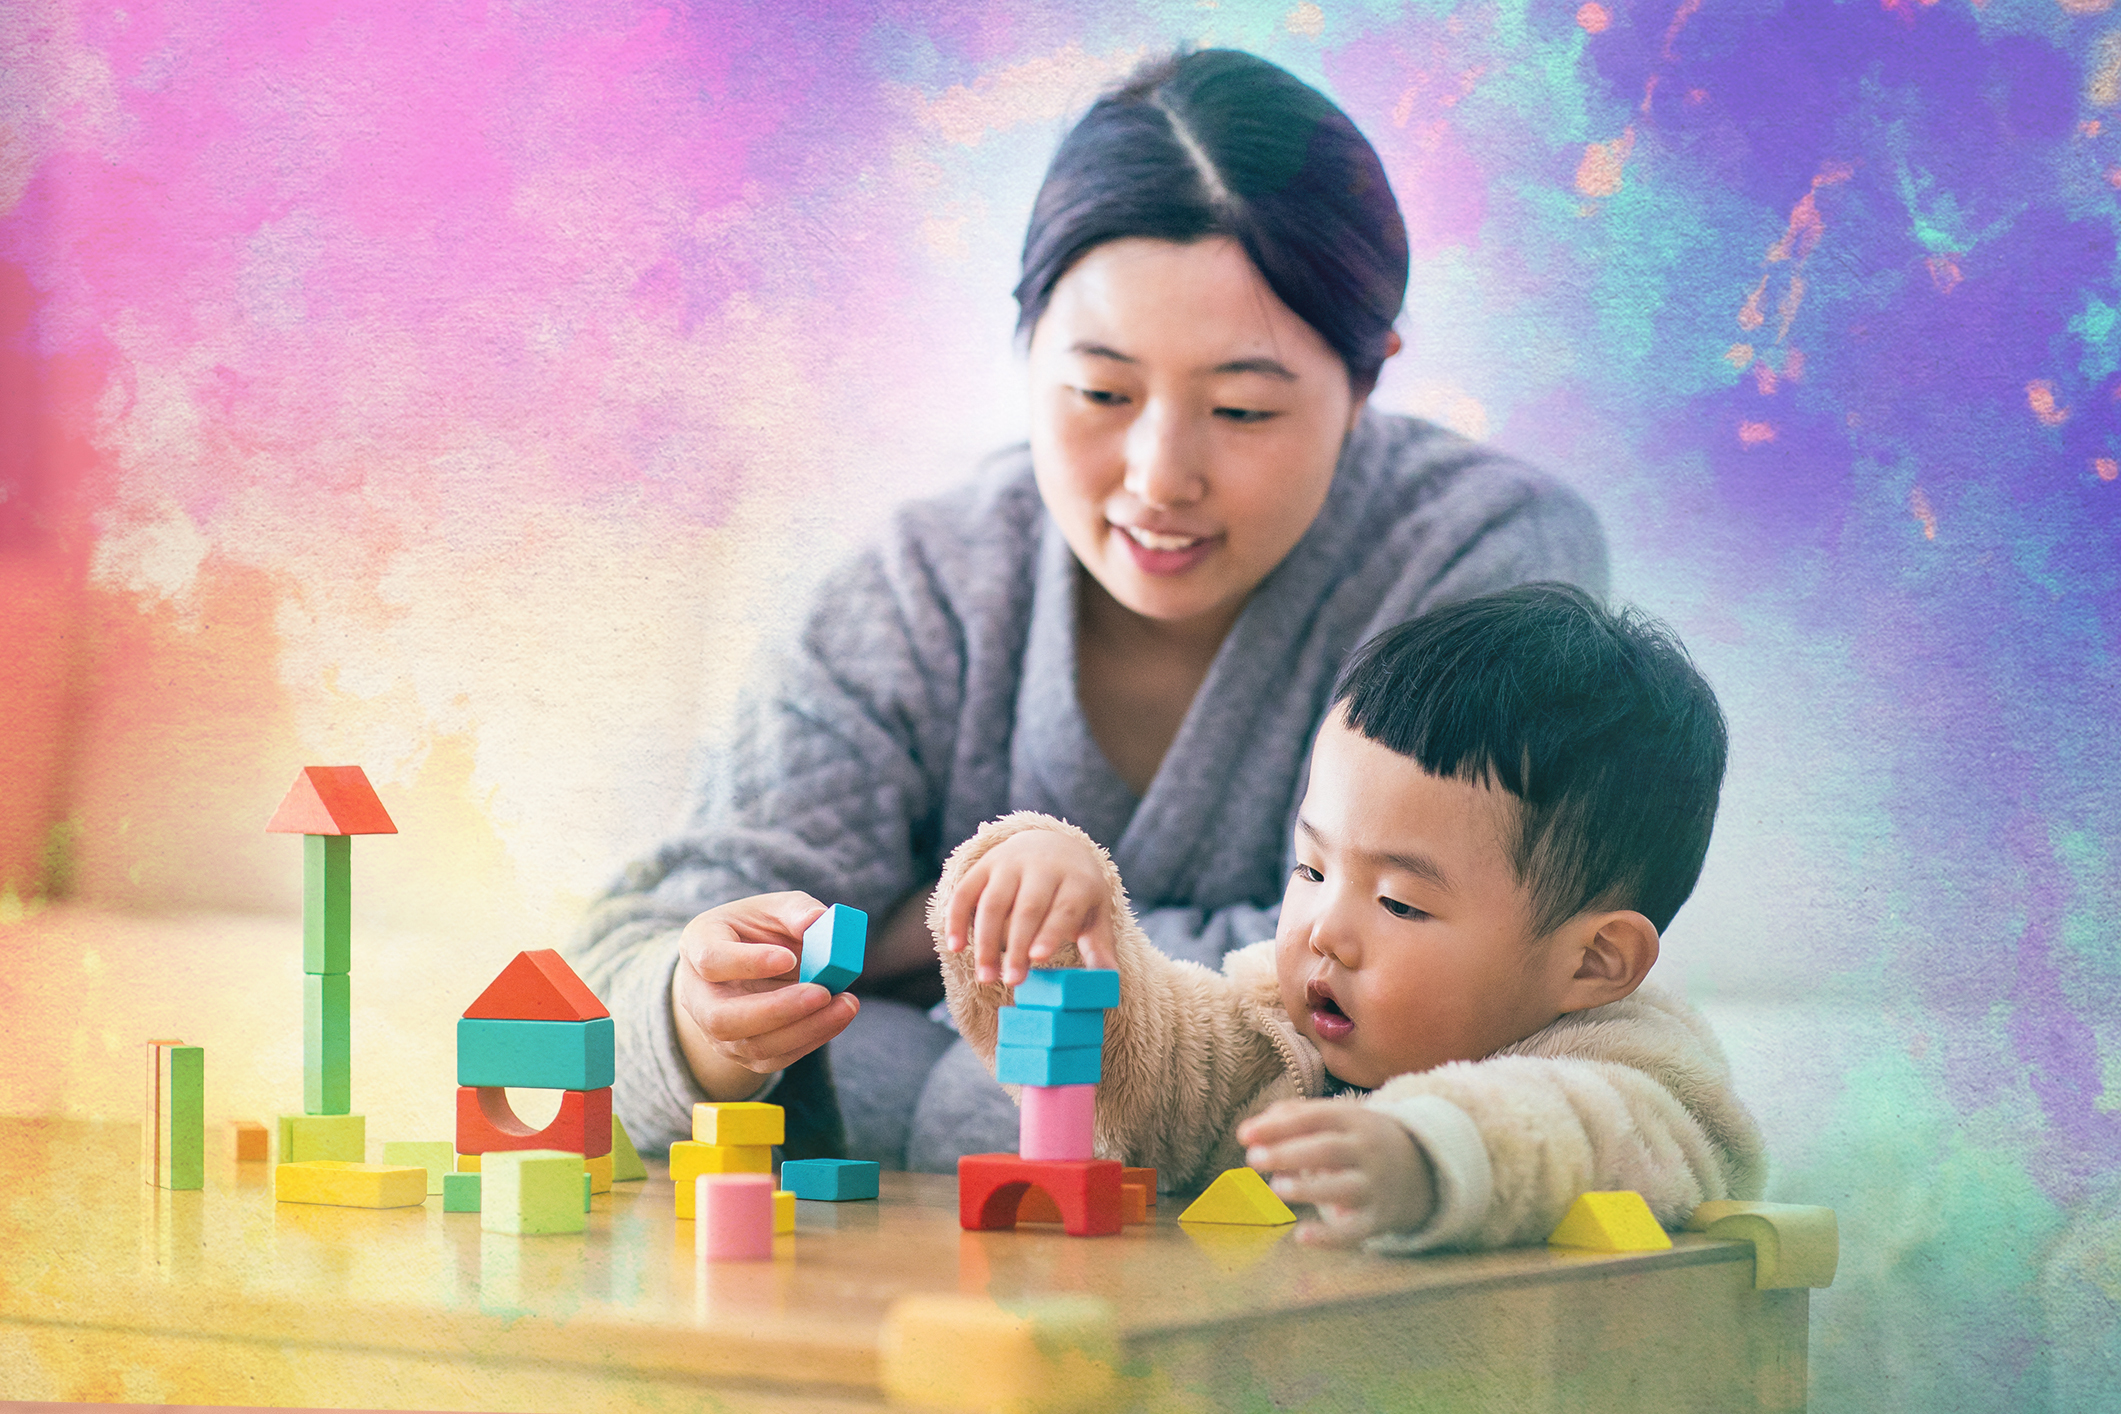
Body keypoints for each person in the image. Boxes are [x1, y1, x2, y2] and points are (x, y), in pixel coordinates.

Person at [570, 49, 1609, 1167]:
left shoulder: (1488, 560)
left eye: (1245, 409)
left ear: (1366, 382)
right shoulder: (924, 583)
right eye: (1101, 392)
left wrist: (935, 965)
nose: (1160, 477)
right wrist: (701, 1016)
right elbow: (629, 963)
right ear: (1026, 351)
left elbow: (1439, 991)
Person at [931, 584, 1765, 1249]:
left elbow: (1578, 1133)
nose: (1324, 929)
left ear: (1591, 962)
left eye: (1400, 901)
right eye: (1311, 867)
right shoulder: (1278, 1022)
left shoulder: (1643, 1080)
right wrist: (1047, 898)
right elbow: (1152, 1067)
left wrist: (1428, 1155)